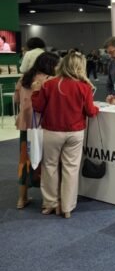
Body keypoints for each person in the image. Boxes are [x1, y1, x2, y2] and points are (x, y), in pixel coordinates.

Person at [31, 51, 99, 218]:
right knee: (71, 169)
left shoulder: (49, 84)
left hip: (52, 131)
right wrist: (97, 108)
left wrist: (35, 92)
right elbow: (91, 112)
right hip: (75, 132)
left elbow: (38, 107)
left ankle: (50, 204)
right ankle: (67, 207)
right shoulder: (84, 87)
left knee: (50, 167)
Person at [14, 52, 60, 209]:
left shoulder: (24, 78)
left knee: (25, 160)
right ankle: (48, 200)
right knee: (48, 161)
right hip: (44, 126)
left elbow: (16, 99)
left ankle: (22, 199)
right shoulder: (50, 80)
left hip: (25, 125)